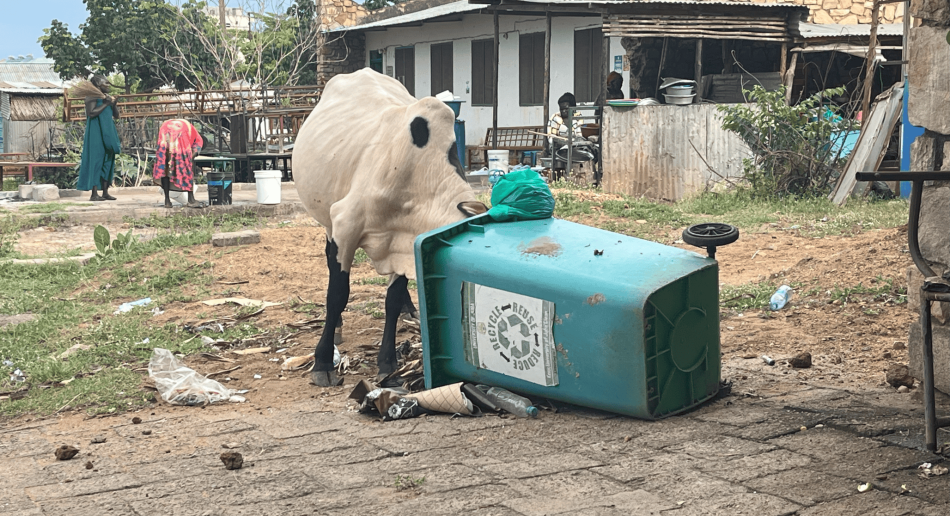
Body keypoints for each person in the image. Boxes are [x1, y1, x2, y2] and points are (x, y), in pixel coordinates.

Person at [76, 75, 121, 201]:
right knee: (96, 160)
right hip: (96, 132)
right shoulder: (91, 97)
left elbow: (116, 116)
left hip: (108, 131)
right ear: (97, 85)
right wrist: (106, 103)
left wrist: (113, 104)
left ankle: (105, 192)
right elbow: (91, 113)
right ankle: (94, 194)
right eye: (105, 83)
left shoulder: (107, 98)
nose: (108, 85)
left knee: (108, 160)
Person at [153, 119, 204, 208]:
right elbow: (195, 150)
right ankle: (191, 200)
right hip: (180, 135)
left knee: (165, 169)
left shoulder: (185, 125)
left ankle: (167, 201)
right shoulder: (198, 139)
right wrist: (187, 160)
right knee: (188, 169)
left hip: (164, 134)